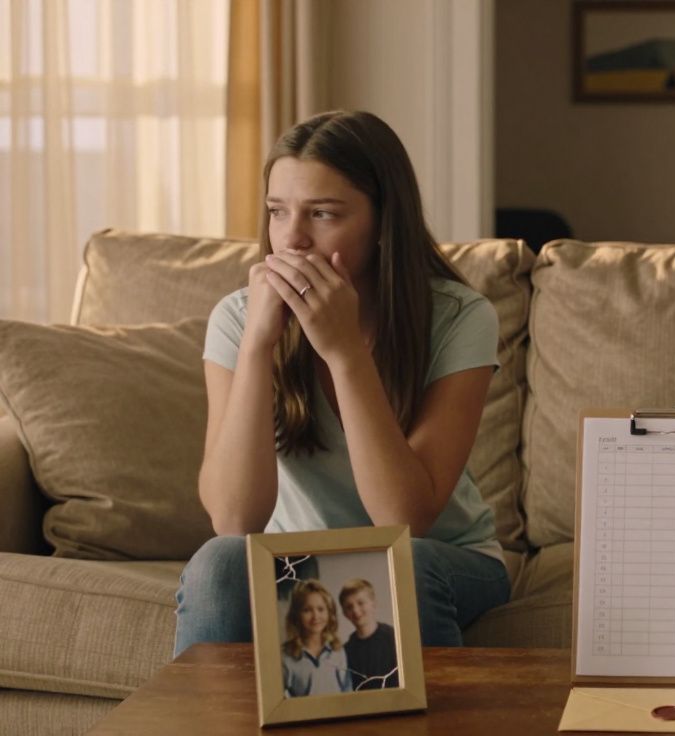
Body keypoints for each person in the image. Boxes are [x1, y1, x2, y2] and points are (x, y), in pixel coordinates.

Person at [173, 110, 510, 657]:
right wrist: (258, 346)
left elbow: (405, 519)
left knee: (404, 565)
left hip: (441, 555)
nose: (293, 239)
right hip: (295, 561)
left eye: (324, 213)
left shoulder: (459, 316)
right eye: (278, 213)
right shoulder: (237, 319)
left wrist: (344, 351)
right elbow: (235, 519)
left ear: (384, 222)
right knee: (218, 561)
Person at [281, 579, 351, 697]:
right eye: (307, 610)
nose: (315, 616)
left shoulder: (338, 651)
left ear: (329, 613)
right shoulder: (284, 656)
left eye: (321, 609)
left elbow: (347, 691)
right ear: (296, 615)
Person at [339, 578, 398, 690]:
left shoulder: (393, 638)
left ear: (373, 603)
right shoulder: (347, 650)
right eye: (349, 607)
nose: (355, 610)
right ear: (344, 613)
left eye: (360, 603)